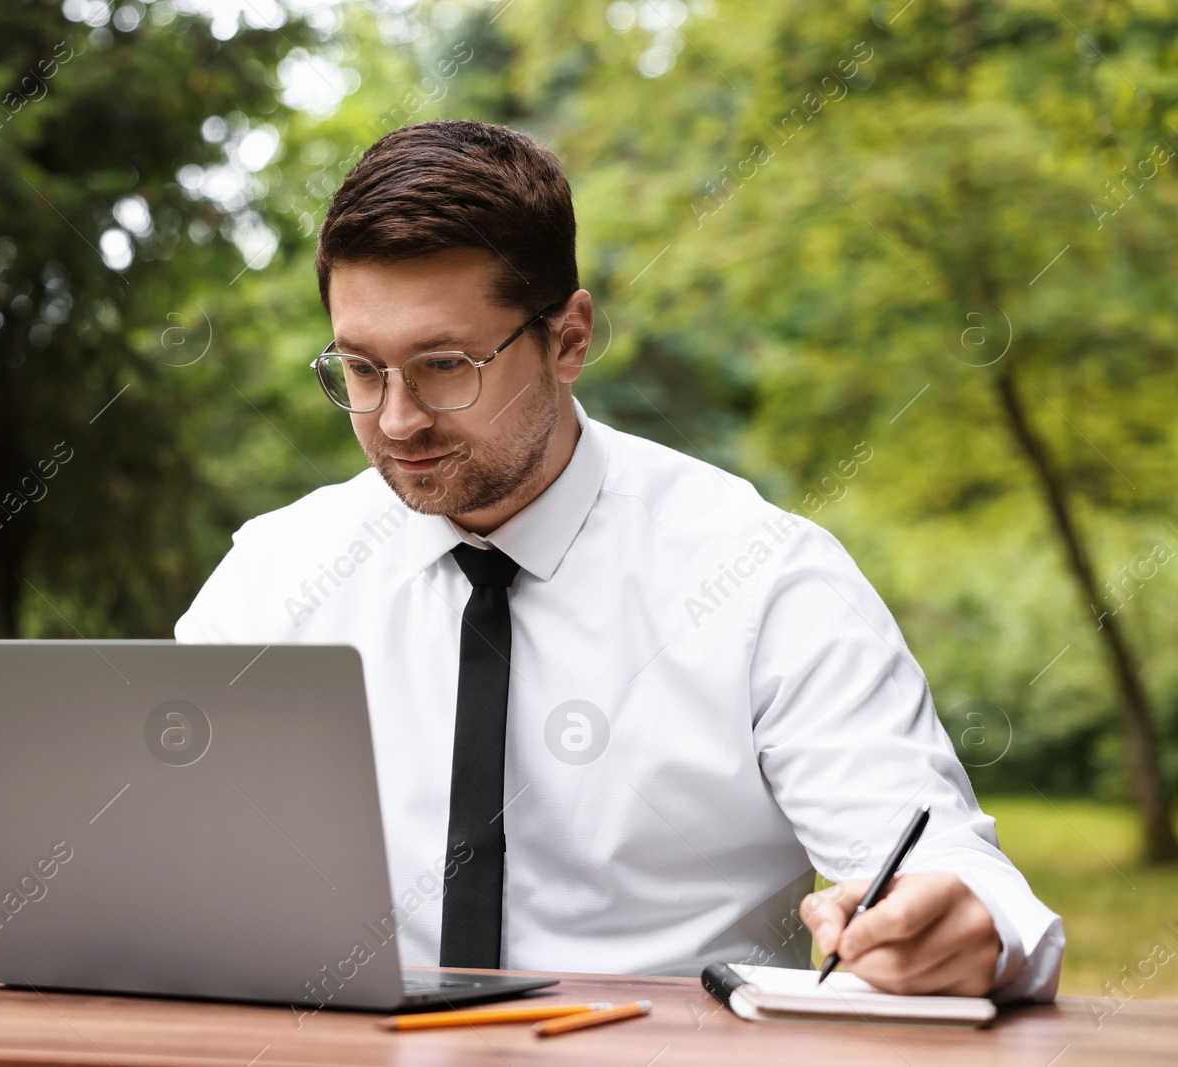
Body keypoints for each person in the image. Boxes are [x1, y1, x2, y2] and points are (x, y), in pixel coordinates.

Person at [174, 119, 1064, 1001]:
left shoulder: (765, 581)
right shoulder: (274, 578)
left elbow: (950, 871)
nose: (398, 420)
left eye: (445, 366)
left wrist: (967, 926)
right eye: (362, 370)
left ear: (569, 339)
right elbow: (161, 871)